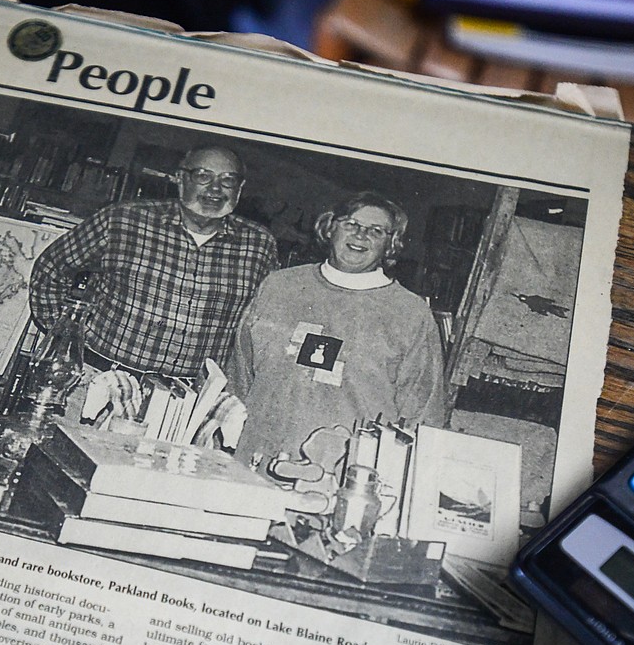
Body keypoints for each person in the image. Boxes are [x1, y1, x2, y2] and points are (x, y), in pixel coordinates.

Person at [29, 145, 278, 397]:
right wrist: (66, 334)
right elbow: (50, 269)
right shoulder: (122, 220)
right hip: (98, 381)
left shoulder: (259, 245)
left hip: (188, 400)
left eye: (228, 180)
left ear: (239, 189)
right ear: (181, 179)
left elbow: (263, 322)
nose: (215, 189)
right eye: (203, 176)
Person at [226, 191, 447, 464]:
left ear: (391, 245)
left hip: (348, 476)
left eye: (376, 231)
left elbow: (424, 414)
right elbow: (238, 376)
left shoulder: (410, 314)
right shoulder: (279, 286)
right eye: (351, 224)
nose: (361, 235)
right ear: (330, 228)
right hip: (257, 460)